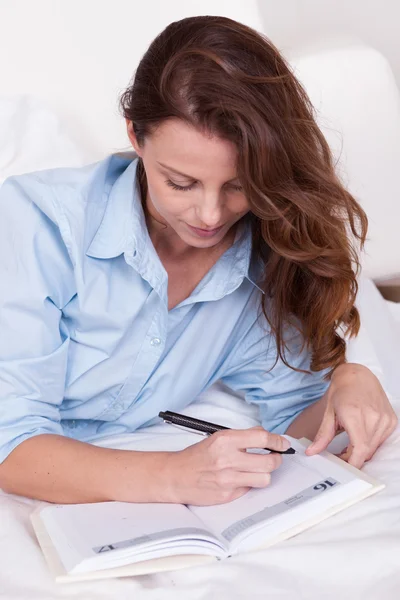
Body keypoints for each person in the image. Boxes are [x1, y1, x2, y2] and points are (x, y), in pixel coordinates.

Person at [0, 16, 396, 507]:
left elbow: (295, 415)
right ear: (135, 136)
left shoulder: (261, 262)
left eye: (237, 185)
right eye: (180, 183)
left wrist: (349, 386)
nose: (211, 215)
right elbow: (10, 446)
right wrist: (174, 476)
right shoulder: (37, 224)